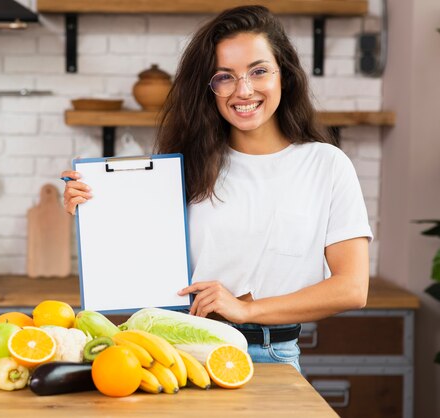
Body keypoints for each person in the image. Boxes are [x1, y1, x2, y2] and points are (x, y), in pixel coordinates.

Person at [61, 6, 372, 372]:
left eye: (258, 71)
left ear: (283, 76)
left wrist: (246, 309)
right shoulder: (183, 167)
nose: (243, 90)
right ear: (209, 89)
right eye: (225, 77)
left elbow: (352, 288)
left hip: (271, 355)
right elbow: (141, 266)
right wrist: (94, 210)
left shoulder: (326, 165)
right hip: (179, 352)